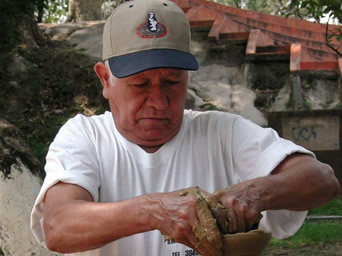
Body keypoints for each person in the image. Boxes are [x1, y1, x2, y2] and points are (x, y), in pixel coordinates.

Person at [30, 0, 340, 255]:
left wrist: (254, 192)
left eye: (172, 82)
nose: (159, 102)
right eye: (140, 85)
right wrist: (154, 210)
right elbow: (58, 227)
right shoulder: (85, 137)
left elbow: (322, 179)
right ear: (105, 80)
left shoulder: (223, 132)